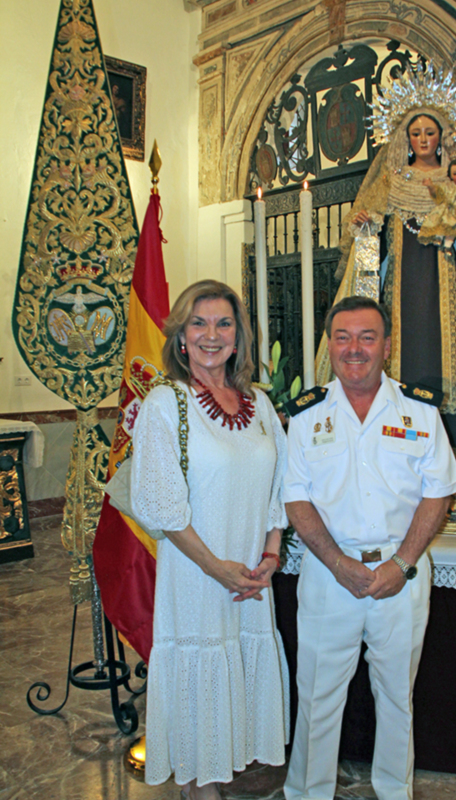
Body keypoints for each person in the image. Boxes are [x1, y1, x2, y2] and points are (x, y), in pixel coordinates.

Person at [283, 296, 456, 800]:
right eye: (342, 337)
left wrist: (402, 564)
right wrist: (338, 564)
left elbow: (439, 492)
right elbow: (295, 498)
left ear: (387, 345)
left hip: (399, 575)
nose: (354, 348)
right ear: (330, 345)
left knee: (396, 698)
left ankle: (393, 791)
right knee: (317, 696)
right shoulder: (304, 416)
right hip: (328, 574)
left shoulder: (420, 411)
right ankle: (308, 794)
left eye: (366, 337)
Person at [315, 65, 456, 458]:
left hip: (448, 282)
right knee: (402, 350)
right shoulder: (390, 180)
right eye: (415, 133)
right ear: (405, 138)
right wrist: (367, 229)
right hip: (402, 287)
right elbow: (372, 248)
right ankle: (398, 438)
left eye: (429, 133)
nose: (422, 139)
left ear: (442, 137)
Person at [129, 280, 289, 800]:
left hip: (249, 577)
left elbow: (281, 488)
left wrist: (270, 554)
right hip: (198, 576)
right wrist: (215, 567)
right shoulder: (165, 403)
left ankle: (214, 782)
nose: (211, 335)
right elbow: (161, 507)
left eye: (223, 324)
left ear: (239, 338)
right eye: (198, 323)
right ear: (180, 336)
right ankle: (199, 790)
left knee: (235, 678)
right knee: (202, 679)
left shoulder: (259, 404)